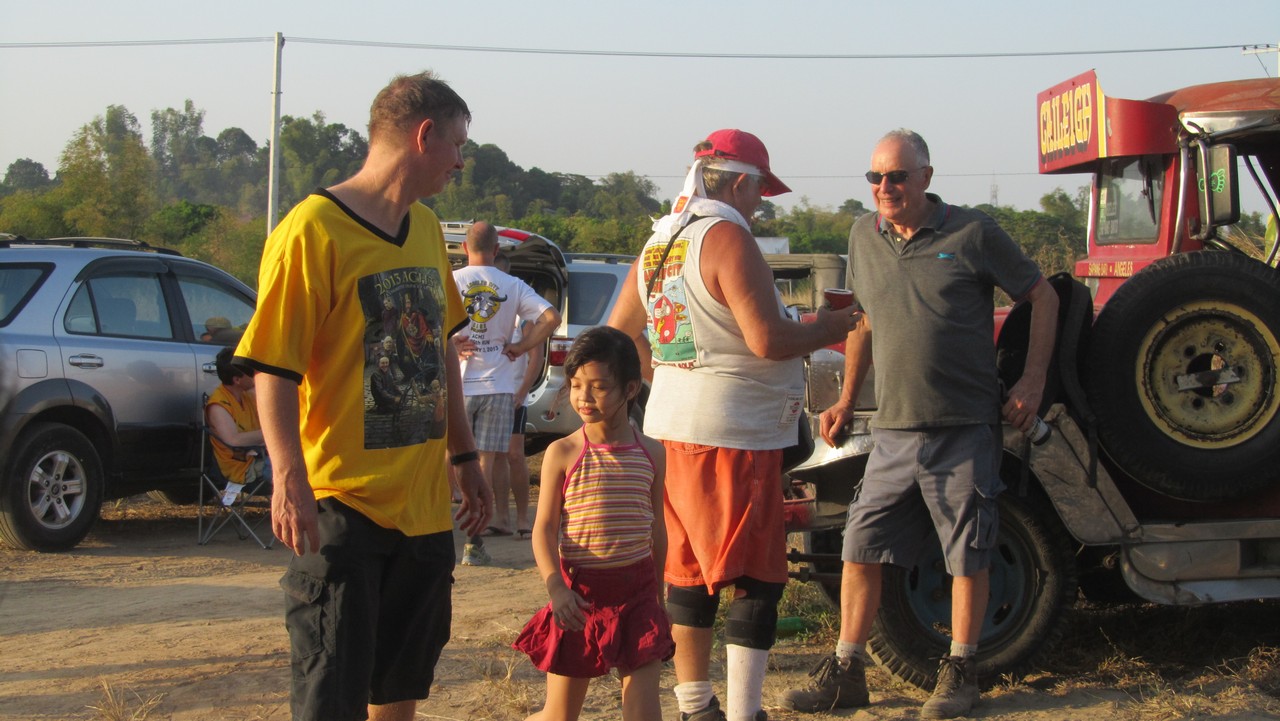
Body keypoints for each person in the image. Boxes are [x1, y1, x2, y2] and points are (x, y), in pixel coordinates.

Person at [231, 70, 492, 721]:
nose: (461, 162)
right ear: (424, 135)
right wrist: (288, 476)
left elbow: (441, 349)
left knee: (399, 689)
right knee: (332, 696)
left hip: (423, 510)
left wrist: (464, 457)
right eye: (458, 144)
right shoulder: (312, 229)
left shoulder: (425, 228)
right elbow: (274, 367)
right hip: (342, 506)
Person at [780, 129, 1059, 720]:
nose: (885, 187)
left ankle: (961, 673)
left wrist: (1033, 381)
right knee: (860, 545)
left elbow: (1044, 297)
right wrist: (847, 399)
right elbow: (862, 321)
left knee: (968, 553)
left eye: (898, 176)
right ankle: (848, 672)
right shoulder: (864, 235)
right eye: (875, 177)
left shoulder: (973, 232)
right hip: (894, 431)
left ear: (926, 178)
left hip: (963, 428)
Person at [608, 129, 857, 721]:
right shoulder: (727, 237)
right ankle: (745, 712)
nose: (761, 205)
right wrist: (829, 328)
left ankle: (696, 705)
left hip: (672, 430)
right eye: (760, 191)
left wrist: (668, 376)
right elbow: (767, 340)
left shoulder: (660, 241)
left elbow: (620, 334)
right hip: (735, 435)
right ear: (741, 183)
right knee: (756, 577)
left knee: (689, 573)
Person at [512, 325, 672, 721]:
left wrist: (659, 600)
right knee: (558, 716)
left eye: (599, 387)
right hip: (579, 599)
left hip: (639, 596)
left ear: (630, 389)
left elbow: (657, 530)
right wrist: (556, 588)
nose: (583, 397)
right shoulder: (563, 452)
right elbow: (544, 530)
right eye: (576, 384)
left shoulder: (652, 453)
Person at [453, 220, 561, 566]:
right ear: (496, 249)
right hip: (498, 386)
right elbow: (551, 318)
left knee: (450, 456)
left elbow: (425, 323)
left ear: (465, 248)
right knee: (486, 460)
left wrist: (451, 344)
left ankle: (442, 530)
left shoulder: (451, 280)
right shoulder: (512, 285)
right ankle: (474, 542)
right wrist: (521, 346)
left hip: (458, 385)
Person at [496, 250, 542, 540]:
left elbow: (536, 357)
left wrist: (523, 390)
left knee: (515, 454)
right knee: (494, 456)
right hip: (489, 391)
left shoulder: (522, 314)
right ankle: (501, 517)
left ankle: (523, 518)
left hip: (513, 395)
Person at [207, 346, 270, 488]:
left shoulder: (246, 395)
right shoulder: (218, 406)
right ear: (237, 380)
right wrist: (274, 434)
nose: (255, 374)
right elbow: (234, 440)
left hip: (260, 456)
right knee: (298, 467)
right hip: (242, 468)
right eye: (251, 373)